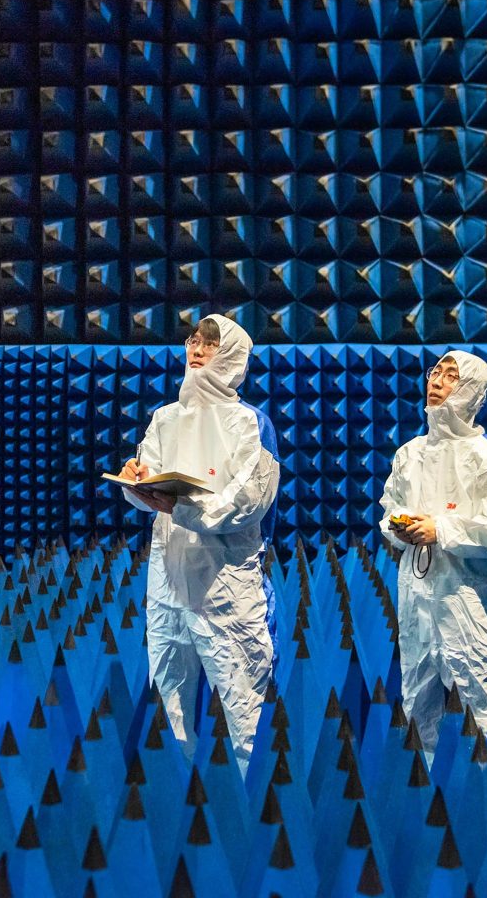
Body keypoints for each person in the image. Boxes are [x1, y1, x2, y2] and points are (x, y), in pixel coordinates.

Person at [117, 314, 280, 774]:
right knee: (169, 702)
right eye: (193, 339)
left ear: (231, 356)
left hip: (225, 587)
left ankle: (248, 799)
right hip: (167, 582)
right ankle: (177, 802)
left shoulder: (250, 423)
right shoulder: (165, 418)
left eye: (210, 343)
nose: (198, 348)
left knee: (242, 703)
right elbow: (148, 482)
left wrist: (180, 507)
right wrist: (135, 481)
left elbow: (248, 502)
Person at [379, 350, 487, 756]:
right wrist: (399, 528)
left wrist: (441, 529)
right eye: (436, 372)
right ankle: (423, 786)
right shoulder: (409, 454)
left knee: (485, 705)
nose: (436, 381)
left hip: (470, 605)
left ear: (472, 391)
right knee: (418, 710)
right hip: (416, 603)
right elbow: (389, 507)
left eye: (451, 376)